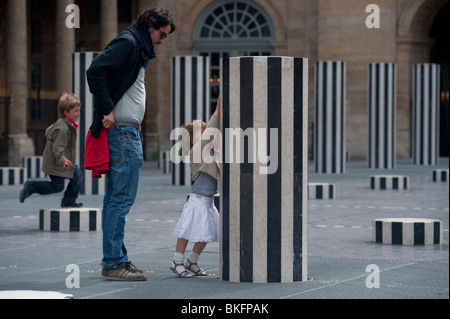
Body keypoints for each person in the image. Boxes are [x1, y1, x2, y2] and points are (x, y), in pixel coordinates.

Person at [86, 8, 176, 281]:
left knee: (117, 199)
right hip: (122, 133)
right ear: (150, 26)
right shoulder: (128, 42)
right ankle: (113, 263)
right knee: (120, 200)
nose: (162, 41)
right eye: (161, 34)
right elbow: (95, 71)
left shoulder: (136, 46)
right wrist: (106, 110)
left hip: (127, 133)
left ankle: (118, 258)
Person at [171, 98, 221, 278]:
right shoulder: (195, 151)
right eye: (202, 130)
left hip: (208, 201)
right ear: (191, 139)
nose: (206, 131)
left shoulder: (207, 151)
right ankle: (177, 261)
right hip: (198, 200)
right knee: (186, 231)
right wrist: (216, 112)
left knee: (206, 233)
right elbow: (211, 133)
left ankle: (191, 261)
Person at [19, 93, 83, 208]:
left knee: (77, 176)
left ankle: (69, 201)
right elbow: (57, 148)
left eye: (79, 110)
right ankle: (31, 186)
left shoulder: (68, 125)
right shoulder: (63, 129)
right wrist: (63, 160)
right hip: (57, 163)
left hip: (62, 161)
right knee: (57, 186)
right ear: (66, 112)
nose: (79, 114)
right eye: (76, 111)